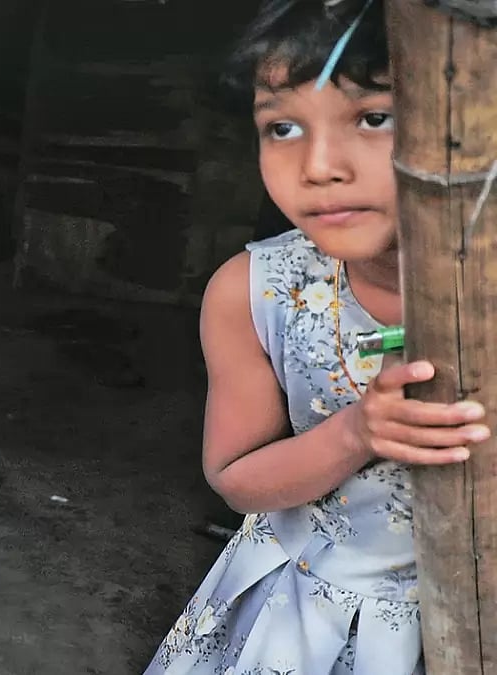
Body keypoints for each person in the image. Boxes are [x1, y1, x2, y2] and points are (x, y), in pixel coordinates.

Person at [146, 1, 490, 673]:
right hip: (302, 621)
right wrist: (356, 432)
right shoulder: (255, 293)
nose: (318, 165)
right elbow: (237, 478)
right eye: (283, 127)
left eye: (374, 117)